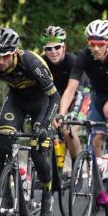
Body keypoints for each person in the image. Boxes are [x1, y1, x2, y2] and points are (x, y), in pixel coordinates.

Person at [0, 28, 60, 216]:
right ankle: (5, 191)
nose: (0, 62)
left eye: (4, 56)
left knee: (38, 152)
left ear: (14, 52)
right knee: (4, 139)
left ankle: (47, 196)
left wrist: (45, 124)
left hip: (42, 103)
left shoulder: (31, 62)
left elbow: (54, 97)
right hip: (17, 101)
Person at [57, 20, 108, 197]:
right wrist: (61, 114)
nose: (96, 48)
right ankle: (100, 189)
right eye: (92, 44)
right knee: (96, 140)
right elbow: (70, 89)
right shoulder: (84, 57)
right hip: (99, 94)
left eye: (100, 44)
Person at [40, 26, 84, 162]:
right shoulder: (41, 63)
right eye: (48, 48)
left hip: (78, 97)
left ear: (64, 47)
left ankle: (77, 169)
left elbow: (80, 92)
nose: (53, 52)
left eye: (57, 47)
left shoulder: (73, 61)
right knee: (45, 130)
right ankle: (56, 171)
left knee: (68, 130)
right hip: (56, 100)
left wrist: (70, 114)